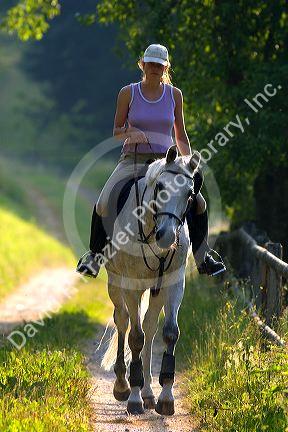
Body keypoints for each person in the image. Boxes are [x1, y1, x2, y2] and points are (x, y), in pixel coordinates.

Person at [76, 43, 226, 278]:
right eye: (151, 64)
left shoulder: (174, 94)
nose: (155, 68)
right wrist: (130, 132)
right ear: (143, 64)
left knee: (200, 203)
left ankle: (202, 257)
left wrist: (188, 162)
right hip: (133, 159)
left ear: (165, 67)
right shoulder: (128, 92)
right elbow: (117, 130)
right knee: (104, 200)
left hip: (167, 163)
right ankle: (95, 255)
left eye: (159, 64)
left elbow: (180, 134)